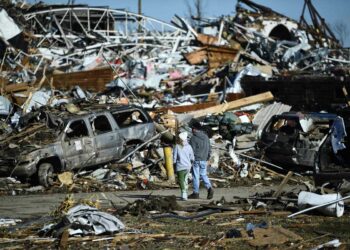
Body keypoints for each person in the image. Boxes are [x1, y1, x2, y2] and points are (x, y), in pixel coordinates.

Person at [189, 121, 214, 199]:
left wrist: (190, 160)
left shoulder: (193, 138)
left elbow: (191, 151)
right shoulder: (206, 137)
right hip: (204, 159)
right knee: (203, 174)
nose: (191, 130)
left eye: (192, 128)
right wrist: (207, 158)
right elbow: (209, 149)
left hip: (196, 159)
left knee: (196, 176)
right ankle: (209, 187)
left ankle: (196, 193)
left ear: (194, 129)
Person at [173, 131, 194, 201]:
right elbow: (192, 157)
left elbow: (174, 157)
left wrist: (173, 164)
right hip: (188, 166)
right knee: (185, 180)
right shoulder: (189, 146)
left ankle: (184, 194)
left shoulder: (177, 146)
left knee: (181, 180)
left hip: (180, 166)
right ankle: (185, 193)